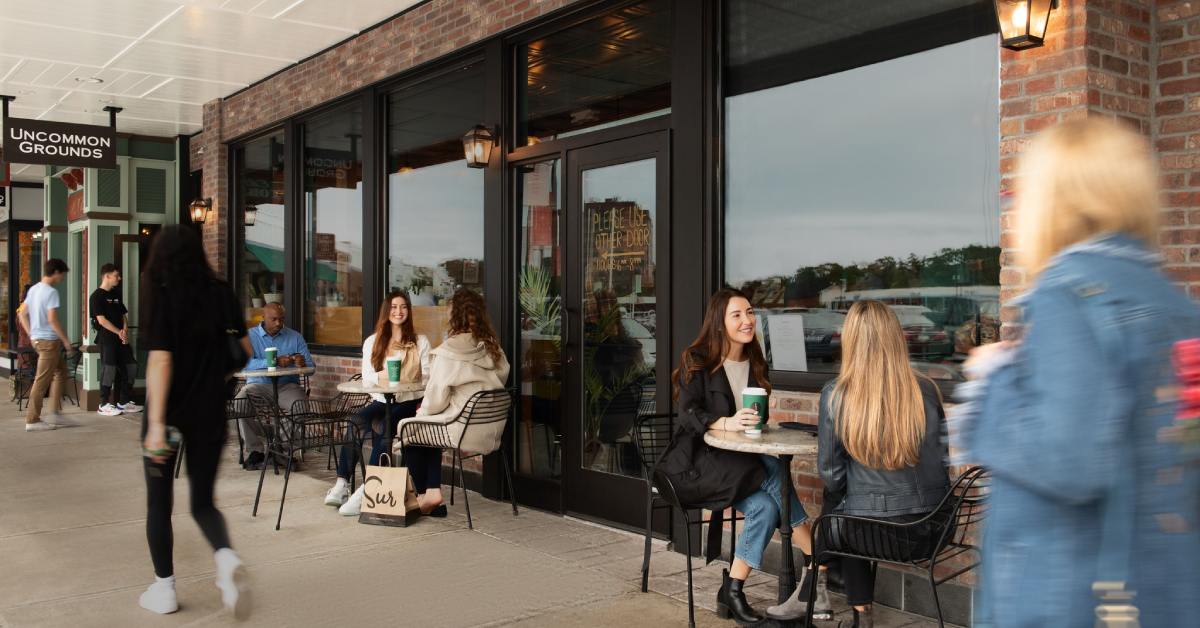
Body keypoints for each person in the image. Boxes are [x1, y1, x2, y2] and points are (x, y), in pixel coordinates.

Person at [958, 119, 1200, 627]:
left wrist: (994, 378)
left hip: (1068, 595)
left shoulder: (1066, 296)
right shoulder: (1178, 309)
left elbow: (1067, 459)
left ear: (1054, 201)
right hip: (1162, 591)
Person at [786, 300, 949, 628]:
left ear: (851, 341)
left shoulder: (837, 394)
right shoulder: (927, 390)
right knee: (848, 506)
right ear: (895, 338)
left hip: (873, 535)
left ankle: (835, 594)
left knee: (839, 505)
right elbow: (943, 462)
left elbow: (831, 475)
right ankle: (818, 585)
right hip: (934, 529)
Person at [662, 287, 817, 625]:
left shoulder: (755, 359)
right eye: (737, 314)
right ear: (719, 322)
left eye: (750, 312)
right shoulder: (697, 358)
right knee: (773, 468)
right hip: (700, 463)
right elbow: (687, 414)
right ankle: (818, 561)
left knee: (765, 505)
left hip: (740, 462)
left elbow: (754, 415)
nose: (747, 320)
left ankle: (732, 590)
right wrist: (725, 422)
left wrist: (753, 424)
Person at [138, 225, 251, 618]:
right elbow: (245, 351)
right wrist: (211, 377)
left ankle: (164, 588)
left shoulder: (162, 293)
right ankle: (225, 560)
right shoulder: (221, 293)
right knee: (203, 502)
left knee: (159, 503)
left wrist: (154, 422)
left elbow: (161, 359)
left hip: (166, 415)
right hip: (208, 412)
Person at [395, 288, 510, 516]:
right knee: (426, 428)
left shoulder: (448, 352)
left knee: (410, 429)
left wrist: (420, 415)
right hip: (491, 428)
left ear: (453, 316)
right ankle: (431, 494)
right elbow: (500, 380)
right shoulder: (493, 348)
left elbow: (434, 402)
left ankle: (427, 493)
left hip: (462, 429)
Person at [327, 291, 431, 515]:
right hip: (381, 399)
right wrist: (387, 374)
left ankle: (369, 490)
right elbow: (367, 377)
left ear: (409, 311)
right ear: (387, 311)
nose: (399, 312)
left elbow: (427, 377)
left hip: (409, 400)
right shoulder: (372, 342)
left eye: (403, 307)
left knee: (385, 428)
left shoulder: (420, 341)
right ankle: (342, 483)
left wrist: (404, 380)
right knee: (355, 421)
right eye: (394, 307)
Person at [236, 302, 314, 469]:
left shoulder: (295, 337)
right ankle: (255, 451)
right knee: (240, 402)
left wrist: (302, 364)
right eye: (274, 319)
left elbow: (311, 369)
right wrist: (273, 361)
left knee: (300, 406)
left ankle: (279, 450)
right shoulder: (250, 336)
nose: (279, 323)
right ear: (263, 317)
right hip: (259, 384)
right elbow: (243, 364)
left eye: (281, 319)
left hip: (287, 385)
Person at [19, 259, 79, 432]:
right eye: (62, 274)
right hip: (49, 343)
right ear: (56, 272)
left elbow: (22, 314)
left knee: (61, 372)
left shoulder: (34, 289)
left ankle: (54, 412)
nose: (63, 278)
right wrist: (66, 341)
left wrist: (31, 334)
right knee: (41, 381)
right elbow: (52, 319)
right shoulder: (51, 292)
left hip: (39, 341)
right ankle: (33, 419)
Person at [90, 263, 141, 416]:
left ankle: (124, 402)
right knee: (109, 370)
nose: (119, 278)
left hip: (121, 338)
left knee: (131, 367)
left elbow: (123, 315)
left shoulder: (116, 294)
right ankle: (104, 404)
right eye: (116, 275)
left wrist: (124, 330)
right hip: (107, 339)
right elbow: (101, 320)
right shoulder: (96, 296)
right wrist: (118, 332)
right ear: (107, 276)